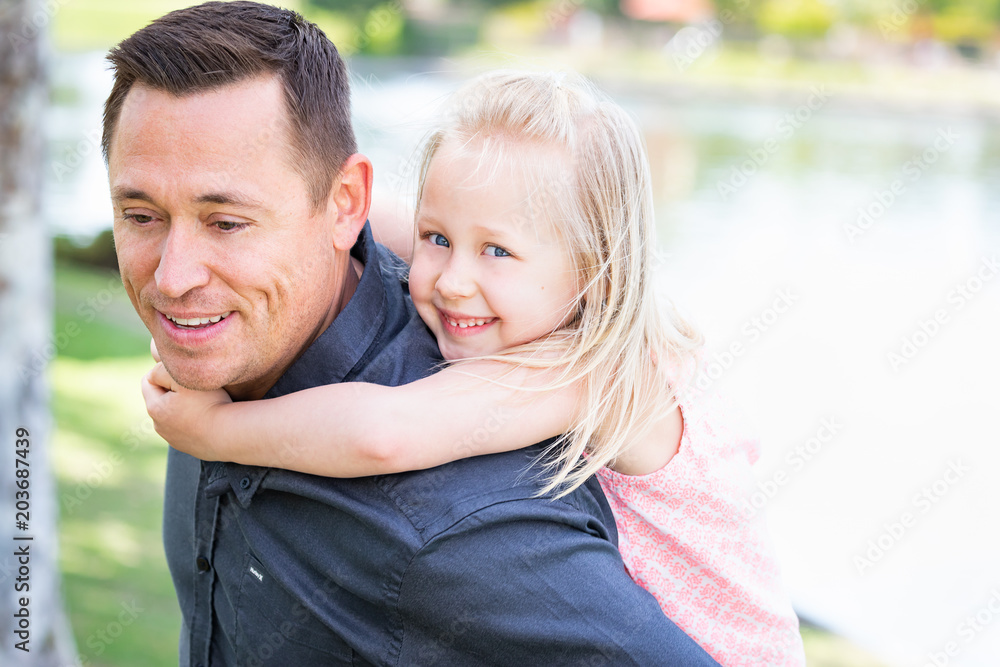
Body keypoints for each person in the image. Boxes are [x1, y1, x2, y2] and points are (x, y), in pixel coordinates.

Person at [106, 2, 720, 665]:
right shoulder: (232, 337)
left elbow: (384, 431)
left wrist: (212, 433)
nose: (171, 278)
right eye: (142, 215)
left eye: (226, 222)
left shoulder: (469, 516)